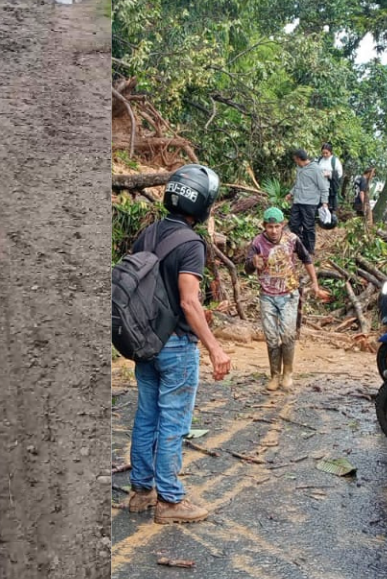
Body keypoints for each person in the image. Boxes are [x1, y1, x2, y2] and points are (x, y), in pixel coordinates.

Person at [127, 164, 232, 525]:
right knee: (172, 421)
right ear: (202, 204)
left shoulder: (148, 234)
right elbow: (189, 302)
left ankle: (141, 492)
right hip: (176, 346)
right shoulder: (191, 244)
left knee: (146, 416)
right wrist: (215, 348)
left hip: (146, 342)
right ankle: (170, 500)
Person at [244, 208, 331, 392]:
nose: (273, 231)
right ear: (264, 226)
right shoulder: (257, 242)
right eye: (270, 227)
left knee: (288, 334)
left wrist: (315, 285)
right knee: (271, 336)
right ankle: (274, 374)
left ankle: (288, 373)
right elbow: (247, 268)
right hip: (267, 296)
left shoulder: (292, 239)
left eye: (277, 226)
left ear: (282, 225)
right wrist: (253, 263)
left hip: (289, 294)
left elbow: (307, 259)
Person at [284, 149, 329, 256]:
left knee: (308, 226)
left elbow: (323, 187)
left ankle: (309, 249)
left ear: (299, 159)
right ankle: (299, 245)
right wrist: (290, 193)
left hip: (310, 203)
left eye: (295, 159)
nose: (295, 161)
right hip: (297, 201)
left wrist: (324, 202)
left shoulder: (316, 169)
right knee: (294, 224)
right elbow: (298, 183)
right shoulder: (299, 168)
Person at [316, 143, 344, 211]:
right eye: (323, 153)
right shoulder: (319, 160)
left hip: (330, 187)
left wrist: (330, 174)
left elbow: (340, 173)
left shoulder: (334, 160)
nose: (325, 155)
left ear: (330, 152)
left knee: (329, 205)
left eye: (326, 153)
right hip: (320, 186)